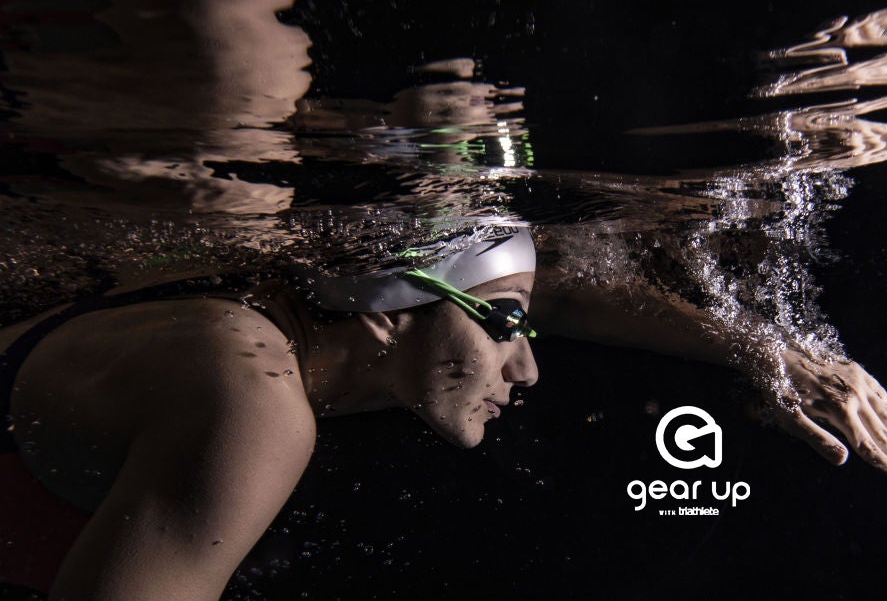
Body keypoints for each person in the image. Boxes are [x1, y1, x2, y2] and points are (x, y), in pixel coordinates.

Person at [2, 226, 539, 598]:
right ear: (389, 308)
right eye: (507, 320)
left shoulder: (239, 297)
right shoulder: (255, 401)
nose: (527, 369)